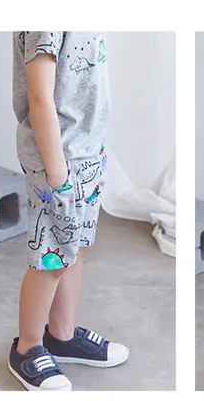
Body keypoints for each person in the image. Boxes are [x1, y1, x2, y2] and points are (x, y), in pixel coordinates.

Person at [10, 25, 125, 378]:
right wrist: (56, 171)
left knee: (76, 249)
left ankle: (61, 334)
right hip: (60, 159)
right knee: (52, 258)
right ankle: (27, 347)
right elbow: (39, 96)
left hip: (86, 151)